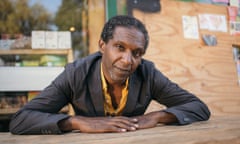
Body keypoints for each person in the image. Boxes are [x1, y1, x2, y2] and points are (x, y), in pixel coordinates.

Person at [9, 15, 210, 135]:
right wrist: (77, 122)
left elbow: (199, 108)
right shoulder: (76, 74)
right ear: (102, 45)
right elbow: (21, 120)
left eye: (136, 53)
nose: (127, 60)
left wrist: (157, 116)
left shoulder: (148, 74)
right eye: (119, 47)